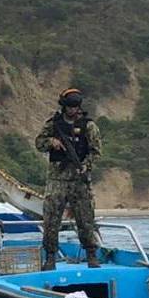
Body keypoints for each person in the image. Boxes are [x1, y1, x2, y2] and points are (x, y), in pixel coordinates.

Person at [35, 88, 102, 270]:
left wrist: (86, 165)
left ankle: (91, 254)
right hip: (57, 179)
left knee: (85, 219)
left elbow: (96, 151)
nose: (73, 110)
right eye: (69, 107)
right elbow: (39, 143)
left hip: (79, 180)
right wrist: (52, 142)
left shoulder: (88, 126)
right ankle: (50, 257)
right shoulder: (54, 124)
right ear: (64, 106)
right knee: (51, 220)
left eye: (75, 107)